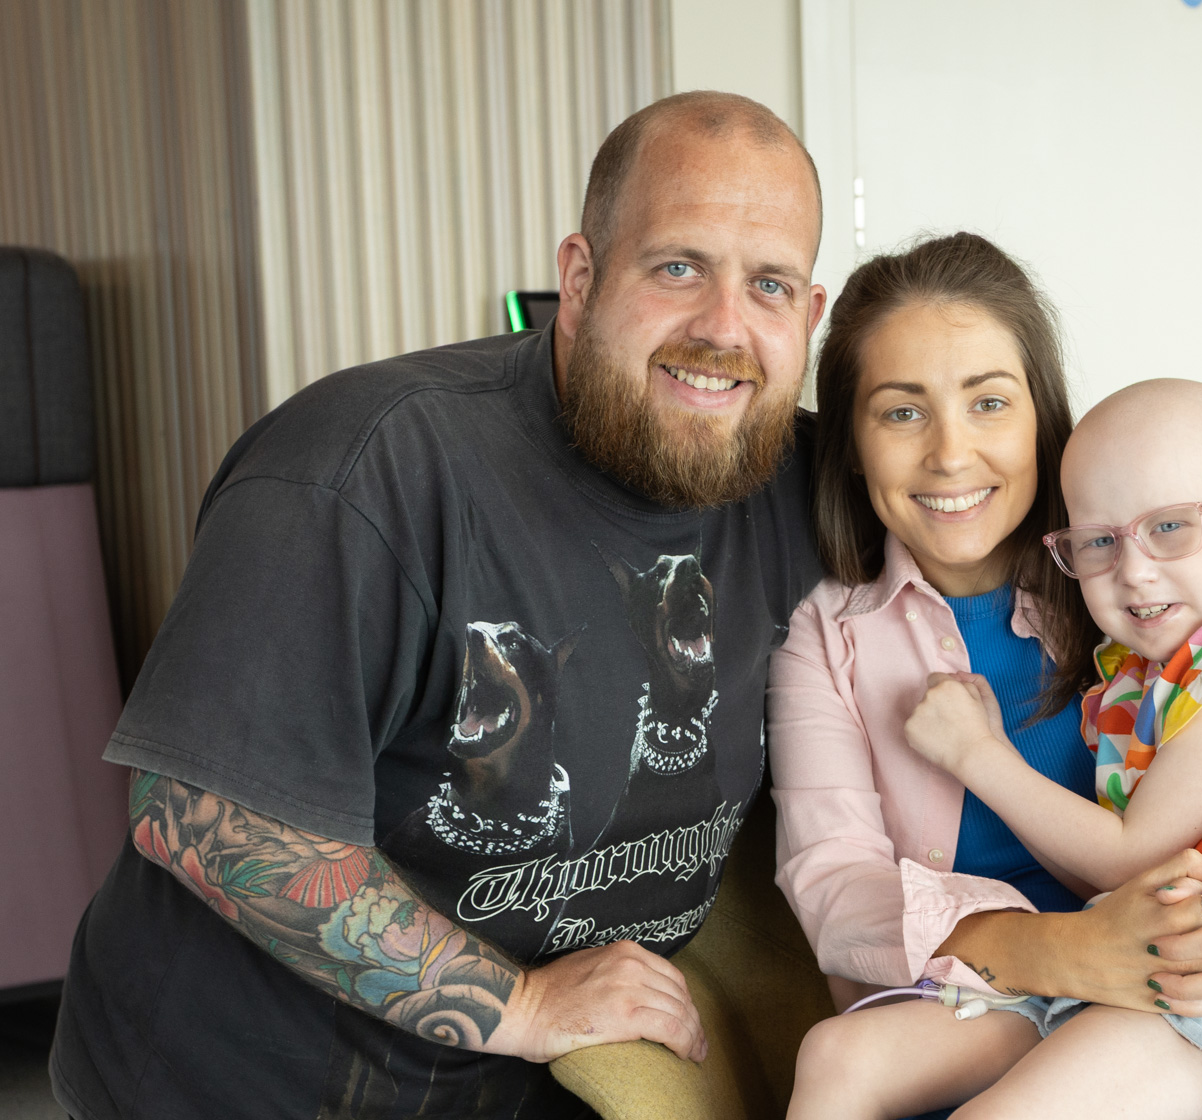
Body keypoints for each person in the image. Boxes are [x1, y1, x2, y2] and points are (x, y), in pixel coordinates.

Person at [49, 91, 832, 1120]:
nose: (724, 326)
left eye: (769, 284)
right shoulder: (367, 466)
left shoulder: (812, 487)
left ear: (809, 315)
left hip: (523, 1090)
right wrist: (523, 1005)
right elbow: (207, 817)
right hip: (237, 1086)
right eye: (677, 267)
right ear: (581, 280)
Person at [769, 233, 1202, 1120]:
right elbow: (836, 887)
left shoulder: (1174, 590)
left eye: (990, 402)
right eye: (902, 412)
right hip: (1026, 986)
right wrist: (1074, 950)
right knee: (834, 1056)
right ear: (852, 443)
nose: (950, 453)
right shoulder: (836, 635)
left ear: (1041, 418)